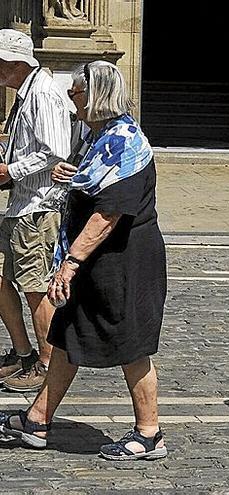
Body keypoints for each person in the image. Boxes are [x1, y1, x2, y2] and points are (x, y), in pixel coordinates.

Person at [0, 61, 168, 460]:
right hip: (95, 260)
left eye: (76, 93)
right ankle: (38, 418)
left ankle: (150, 433)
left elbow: (108, 213)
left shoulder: (126, 141)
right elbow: (90, 182)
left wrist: (70, 262)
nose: (71, 100)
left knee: (131, 345)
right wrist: (69, 173)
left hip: (124, 262)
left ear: (95, 96)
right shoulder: (96, 136)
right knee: (65, 337)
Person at [0, 29, 72, 393]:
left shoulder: (43, 93)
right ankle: (23, 353)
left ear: (13, 64)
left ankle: (47, 363)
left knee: (34, 290)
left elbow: (55, 150)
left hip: (38, 206)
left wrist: (9, 170)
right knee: (5, 284)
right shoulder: (26, 93)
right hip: (21, 204)